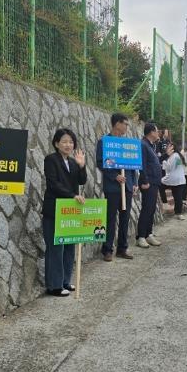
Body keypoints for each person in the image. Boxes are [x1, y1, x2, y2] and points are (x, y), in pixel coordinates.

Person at [42, 128, 87, 297]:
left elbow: (82, 180)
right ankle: (54, 286)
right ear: (56, 144)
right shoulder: (51, 160)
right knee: (55, 247)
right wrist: (73, 195)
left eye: (71, 142)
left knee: (69, 245)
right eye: (64, 142)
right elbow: (53, 184)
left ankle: (65, 282)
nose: (68, 145)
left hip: (69, 211)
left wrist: (82, 166)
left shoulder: (74, 162)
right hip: (54, 210)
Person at [96, 112, 139, 261]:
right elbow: (101, 162)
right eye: (125, 124)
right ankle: (107, 249)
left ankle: (122, 248)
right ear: (117, 124)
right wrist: (115, 176)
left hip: (126, 187)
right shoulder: (104, 142)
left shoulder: (127, 144)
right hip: (113, 187)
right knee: (110, 219)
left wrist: (134, 183)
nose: (127, 127)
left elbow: (132, 165)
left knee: (125, 218)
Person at [136, 122, 163, 248]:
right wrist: (145, 181)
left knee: (151, 208)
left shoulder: (151, 145)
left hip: (154, 181)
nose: (158, 133)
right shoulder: (143, 145)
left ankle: (149, 234)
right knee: (147, 208)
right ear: (151, 132)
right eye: (157, 131)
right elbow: (142, 165)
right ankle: (141, 236)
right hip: (148, 182)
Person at [162, 143, 186, 219]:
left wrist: (164, 162)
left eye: (169, 147)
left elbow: (170, 167)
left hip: (175, 179)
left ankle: (178, 212)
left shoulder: (175, 156)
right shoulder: (176, 156)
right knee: (176, 196)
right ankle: (177, 212)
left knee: (178, 197)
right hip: (178, 179)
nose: (167, 148)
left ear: (172, 148)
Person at [155, 128, 171, 206]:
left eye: (168, 132)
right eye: (166, 132)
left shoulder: (169, 142)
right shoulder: (160, 141)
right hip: (162, 163)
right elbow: (158, 152)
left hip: (169, 164)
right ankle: (164, 200)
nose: (167, 134)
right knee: (162, 182)